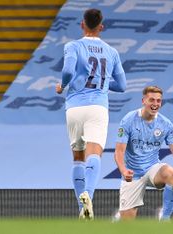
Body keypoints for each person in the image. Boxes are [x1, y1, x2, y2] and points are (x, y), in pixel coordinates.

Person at [55, 8, 126, 220]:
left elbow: (67, 71)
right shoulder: (112, 52)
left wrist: (63, 86)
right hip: (97, 108)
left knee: (78, 157)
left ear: (82, 25)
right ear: (101, 27)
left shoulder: (73, 46)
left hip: (75, 107)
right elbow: (122, 86)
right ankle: (89, 196)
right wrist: (102, 84)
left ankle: (82, 208)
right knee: (94, 154)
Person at [114, 86, 173, 220]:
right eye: (151, 100)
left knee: (172, 175)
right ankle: (120, 218)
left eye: (158, 101)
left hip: (153, 168)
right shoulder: (129, 120)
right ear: (143, 101)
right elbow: (119, 151)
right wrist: (123, 170)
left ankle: (165, 218)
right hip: (132, 174)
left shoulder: (165, 124)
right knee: (126, 225)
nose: (155, 104)